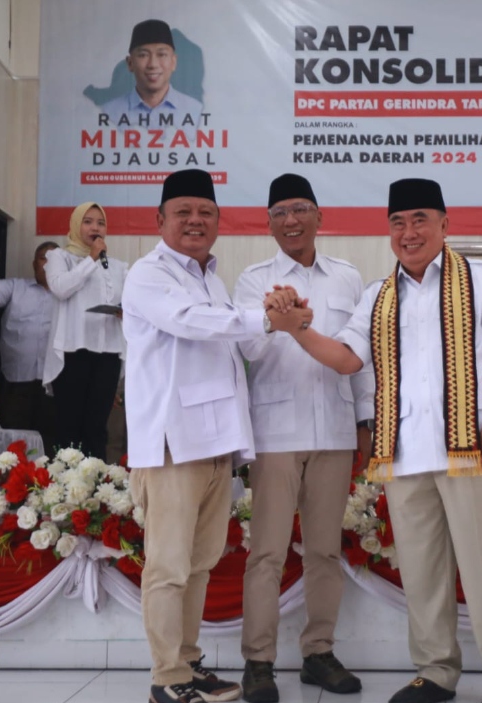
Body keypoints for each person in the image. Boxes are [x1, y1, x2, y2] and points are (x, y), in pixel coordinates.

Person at [285, 178, 482, 703]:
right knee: (422, 573)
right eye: (398, 222)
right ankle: (436, 671)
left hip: (475, 450)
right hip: (405, 454)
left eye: (420, 219)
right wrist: (297, 330)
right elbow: (347, 358)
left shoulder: (481, 280)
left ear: (445, 224)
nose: (409, 232)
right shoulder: (378, 295)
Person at [121, 169, 310, 703]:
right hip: (172, 445)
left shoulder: (212, 278)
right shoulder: (148, 274)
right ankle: (167, 677)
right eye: (183, 212)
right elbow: (192, 321)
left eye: (205, 212)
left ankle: (187, 660)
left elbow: (230, 346)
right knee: (168, 567)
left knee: (199, 566)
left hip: (215, 445)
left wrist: (276, 317)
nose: (195, 221)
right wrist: (267, 319)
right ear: (160, 220)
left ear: (219, 221)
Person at [233, 174, 372, 702]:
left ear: (319, 215)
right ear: (268, 223)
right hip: (276, 434)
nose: (290, 220)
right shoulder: (254, 280)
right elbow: (246, 351)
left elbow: (360, 358)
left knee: (324, 551)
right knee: (267, 552)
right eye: (280, 213)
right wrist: (279, 319)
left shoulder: (347, 278)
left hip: (334, 431)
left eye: (299, 209)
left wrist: (364, 422)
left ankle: (318, 652)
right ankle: (258, 661)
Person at [42, 202, 127, 459]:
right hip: (73, 350)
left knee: (96, 427)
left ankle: (96, 479)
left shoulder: (117, 266)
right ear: (76, 225)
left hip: (108, 351)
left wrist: (125, 311)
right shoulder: (59, 257)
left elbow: (126, 299)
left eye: (100, 223)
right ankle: (67, 479)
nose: (95, 228)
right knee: (69, 425)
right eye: (88, 222)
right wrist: (91, 259)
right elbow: (60, 288)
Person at [0, 241, 58, 451]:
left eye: (55, 260)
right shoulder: (17, 288)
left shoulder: (69, 295)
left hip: (54, 384)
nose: (48, 264)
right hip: (16, 382)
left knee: (50, 444)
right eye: (43, 258)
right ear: (34, 264)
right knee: (14, 445)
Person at [100, 19, 203, 125]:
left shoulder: (196, 111)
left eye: (161, 54)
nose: (153, 64)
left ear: (173, 62)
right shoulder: (108, 113)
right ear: (130, 63)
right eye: (143, 55)